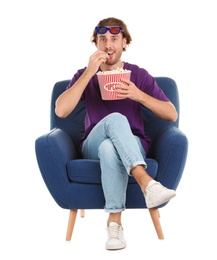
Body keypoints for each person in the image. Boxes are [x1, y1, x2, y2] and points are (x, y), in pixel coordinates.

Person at [55, 17, 178, 250]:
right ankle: (147, 183)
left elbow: (171, 114)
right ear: (96, 44)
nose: (108, 45)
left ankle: (115, 225)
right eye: (102, 39)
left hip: (133, 145)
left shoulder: (138, 75)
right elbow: (61, 110)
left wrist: (139, 95)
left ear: (124, 43)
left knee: (109, 148)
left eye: (114, 39)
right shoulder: (84, 74)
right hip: (92, 144)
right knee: (114, 121)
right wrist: (89, 72)